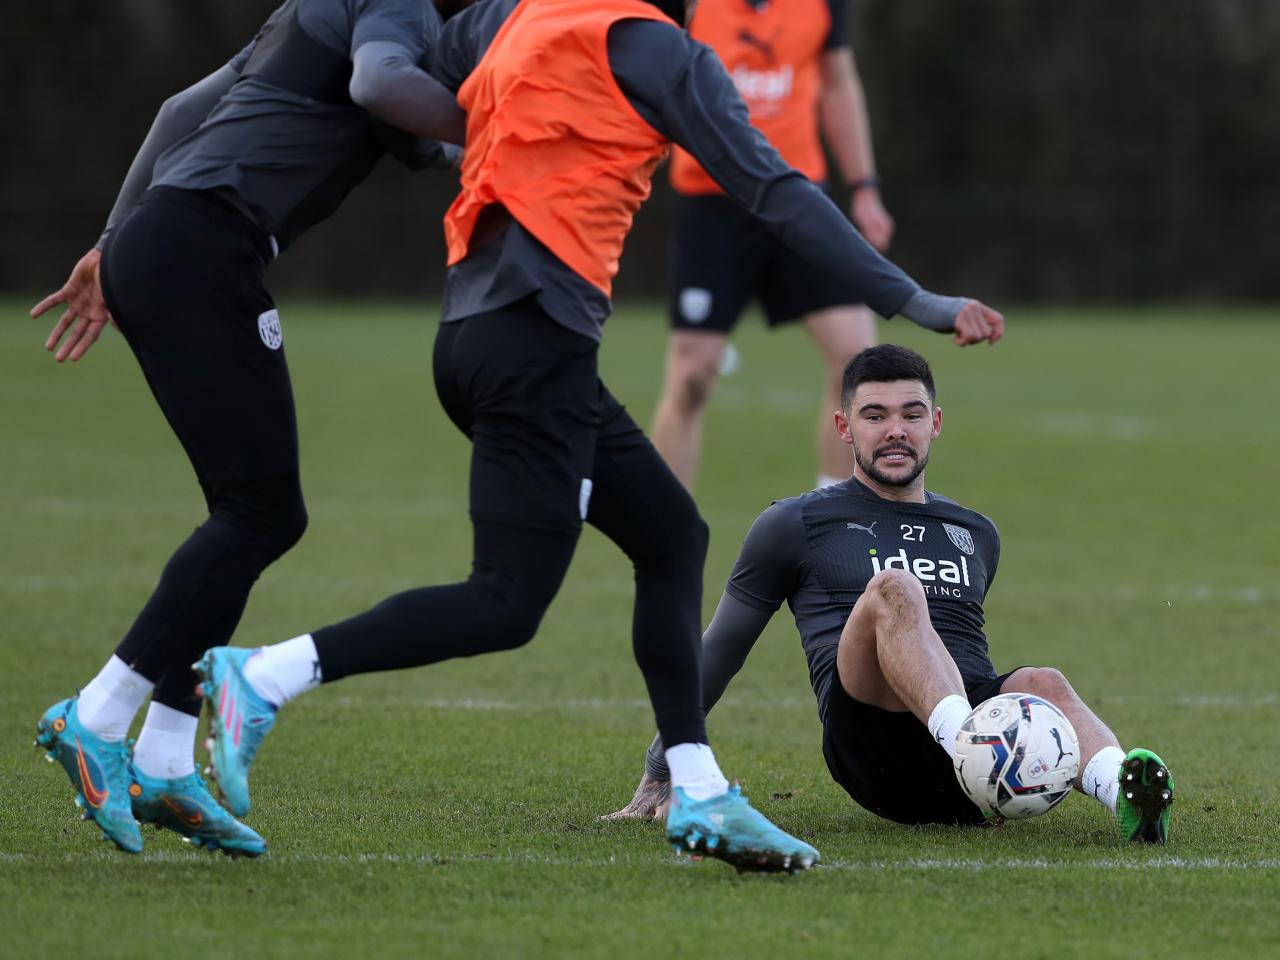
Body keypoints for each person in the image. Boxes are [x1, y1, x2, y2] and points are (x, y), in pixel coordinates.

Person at [190, 0, 1003, 874]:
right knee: (505, 601)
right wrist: (913, 300)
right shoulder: (661, 53)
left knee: (670, 533)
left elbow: (387, 85)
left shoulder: (512, 17)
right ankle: (264, 677)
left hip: (481, 336)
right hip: (532, 345)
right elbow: (775, 191)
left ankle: (693, 787)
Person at [31, 0, 466, 857]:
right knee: (260, 513)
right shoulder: (395, 10)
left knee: (251, 510)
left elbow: (178, 112)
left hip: (166, 242)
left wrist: (113, 239)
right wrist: (516, 119)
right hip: (199, 248)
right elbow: (384, 87)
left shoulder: (314, 10)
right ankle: (96, 715)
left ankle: (161, 760)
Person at [607, 344, 1176, 844]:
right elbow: (722, 648)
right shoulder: (793, 524)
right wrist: (665, 756)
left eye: (912, 414)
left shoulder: (975, 531)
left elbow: (964, 654)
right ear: (844, 426)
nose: (895, 430)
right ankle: (973, 748)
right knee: (894, 589)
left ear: (937, 423)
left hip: (960, 772)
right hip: (870, 744)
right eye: (874, 415)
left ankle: (1124, 790)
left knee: (1044, 682)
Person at [650, 0, 917, 492]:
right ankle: (668, 540)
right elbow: (649, 73)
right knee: (692, 376)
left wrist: (864, 187)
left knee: (858, 359)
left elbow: (838, 82)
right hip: (712, 204)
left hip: (798, 199)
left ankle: (835, 528)